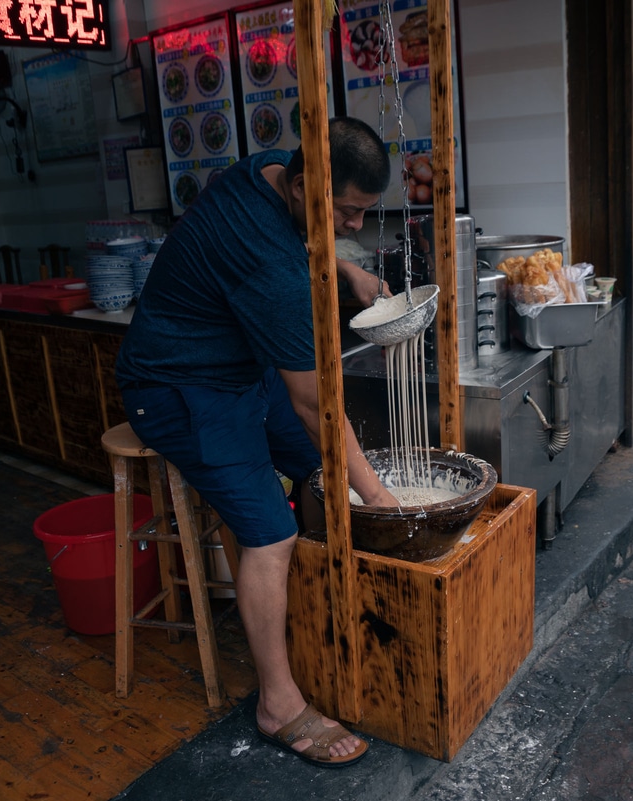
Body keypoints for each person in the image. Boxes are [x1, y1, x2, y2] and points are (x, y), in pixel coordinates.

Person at [114, 117, 397, 768]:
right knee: (273, 533)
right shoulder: (273, 271)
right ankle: (278, 701)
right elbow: (315, 404)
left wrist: (347, 269)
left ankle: (310, 619)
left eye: (362, 212)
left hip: (235, 366)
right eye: (349, 213)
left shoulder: (270, 167)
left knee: (314, 470)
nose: (355, 225)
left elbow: (301, 235)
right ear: (304, 187)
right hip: (176, 385)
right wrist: (378, 494)